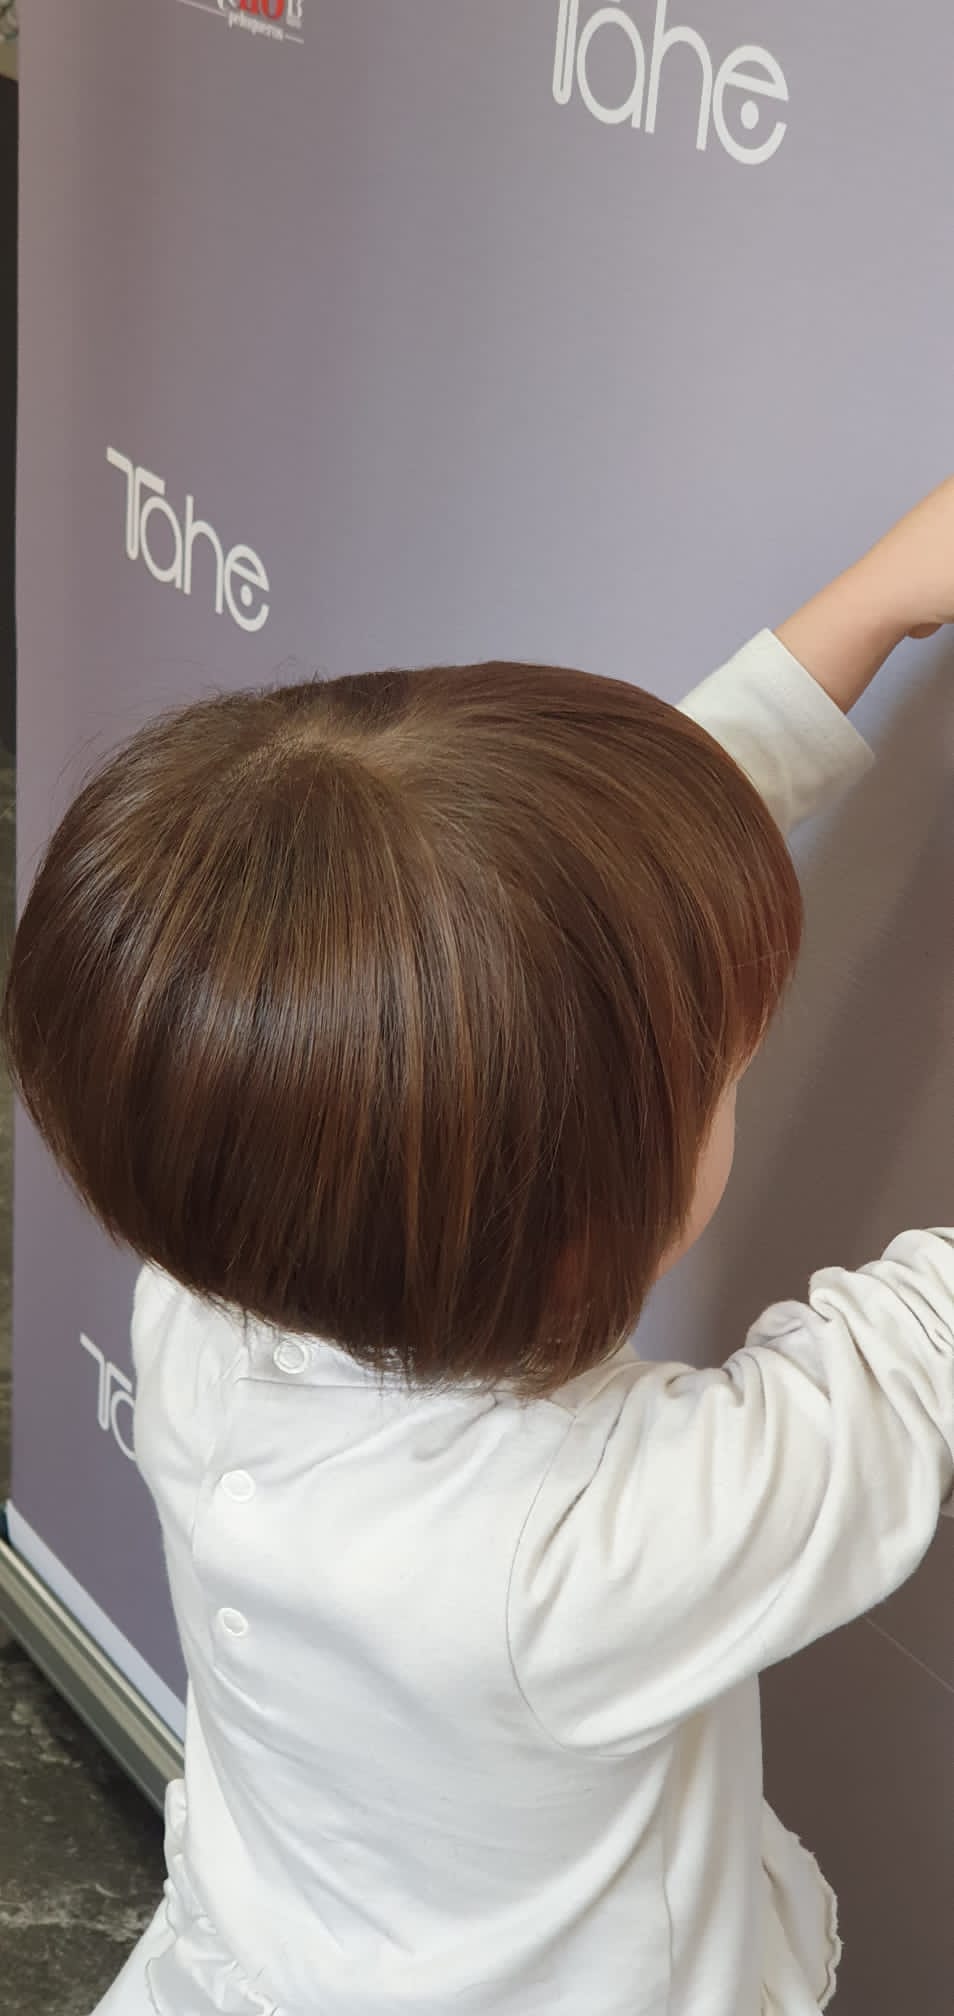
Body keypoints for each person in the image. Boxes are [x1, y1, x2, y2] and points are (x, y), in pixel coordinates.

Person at [4, 480, 954, 2016]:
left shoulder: (214, 1283)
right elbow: (920, 1347)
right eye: (716, 1074)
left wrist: (880, 599)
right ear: (578, 1219)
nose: (734, 1071)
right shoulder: (591, 1545)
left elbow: (544, 940)